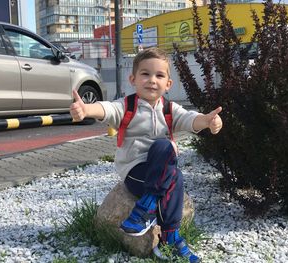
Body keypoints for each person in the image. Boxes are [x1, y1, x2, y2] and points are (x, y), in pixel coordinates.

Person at [70, 47, 223, 262]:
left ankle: (160, 226)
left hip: (161, 170)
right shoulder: (127, 106)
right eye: (145, 74)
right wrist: (86, 109)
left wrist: (207, 121)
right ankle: (157, 220)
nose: (152, 80)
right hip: (136, 171)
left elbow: (190, 119)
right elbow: (107, 109)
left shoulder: (169, 109)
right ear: (133, 79)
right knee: (169, 159)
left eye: (159, 75)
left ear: (168, 84)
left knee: (168, 156)